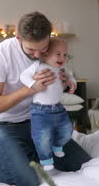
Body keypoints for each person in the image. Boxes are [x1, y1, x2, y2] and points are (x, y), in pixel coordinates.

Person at [0, 12, 91, 186]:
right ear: (18, 37)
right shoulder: (0, 54)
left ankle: (29, 153)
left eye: (43, 49)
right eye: (31, 50)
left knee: (80, 162)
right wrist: (30, 89)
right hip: (3, 125)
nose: (38, 55)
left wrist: (64, 81)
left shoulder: (52, 48)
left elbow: (58, 74)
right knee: (27, 179)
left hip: (37, 121)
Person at [20, 37, 74, 171]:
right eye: (58, 54)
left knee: (67, 130)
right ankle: (46, 160)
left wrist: (71, 82)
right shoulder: (38, 66)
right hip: (40, 111)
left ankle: (57, 145)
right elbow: (23, 76)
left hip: (58, 108)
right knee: (42, 136)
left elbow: (71, 76)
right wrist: (33, 84)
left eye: (65, 54)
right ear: (45, 54)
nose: (62, 57)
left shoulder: (63, 68)